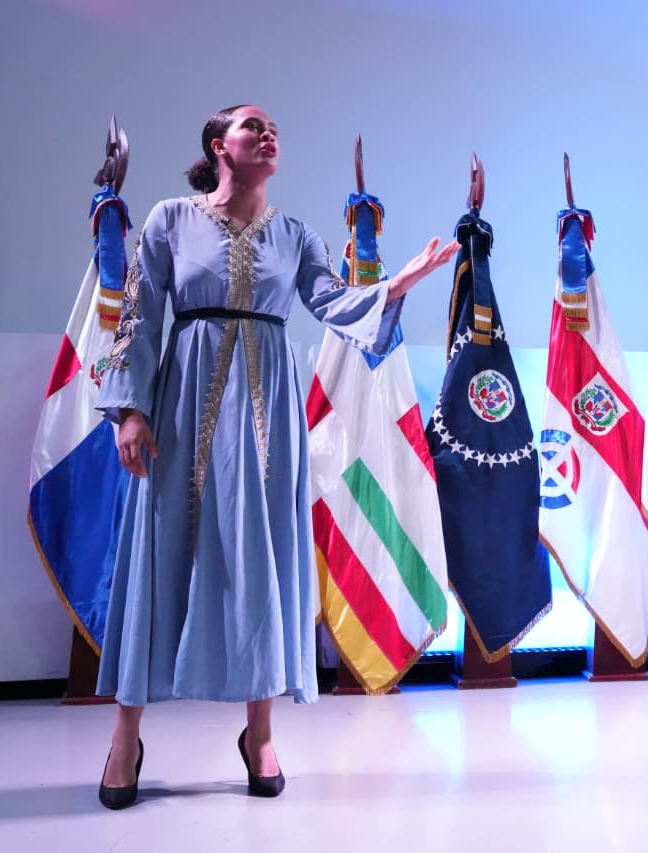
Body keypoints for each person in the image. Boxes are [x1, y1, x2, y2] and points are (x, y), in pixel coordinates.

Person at [94, 104, 459, 808]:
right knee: (159, 553)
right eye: (252, 126)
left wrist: (399, 284)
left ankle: (259, 733)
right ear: (218, 145)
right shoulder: (170, 220)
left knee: (261, 556)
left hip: (267, 417)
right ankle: (124, 735)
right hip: (183, 405)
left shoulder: (296, 236)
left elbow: (335, 305)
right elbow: (139, 315)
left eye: (273, 131)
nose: (268, 136)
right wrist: (130, 409)